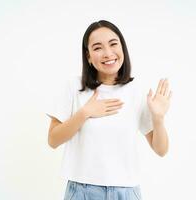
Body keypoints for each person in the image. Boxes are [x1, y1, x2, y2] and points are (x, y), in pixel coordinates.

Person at [46, 20, 172, 200]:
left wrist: (158, 118)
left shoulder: (137, 90)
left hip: (126, 192)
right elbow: (53, 140)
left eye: (113, 44)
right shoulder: (73, 87)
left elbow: (161, 150)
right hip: (83, 191)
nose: (108, 53)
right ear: (88, 56)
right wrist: (84, 113)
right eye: (97, 48)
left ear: (123, 48)